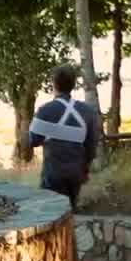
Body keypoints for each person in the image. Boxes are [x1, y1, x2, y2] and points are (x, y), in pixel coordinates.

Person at [30, 66, 101, 206]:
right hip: (76, 174)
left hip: (53, 174)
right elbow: (91, 146)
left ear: (54, 84)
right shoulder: (87, 112)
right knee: (70, 213)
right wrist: (85, 170)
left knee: (51, 212)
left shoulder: (45, 110)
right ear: (73, 85)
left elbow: (33, 141)